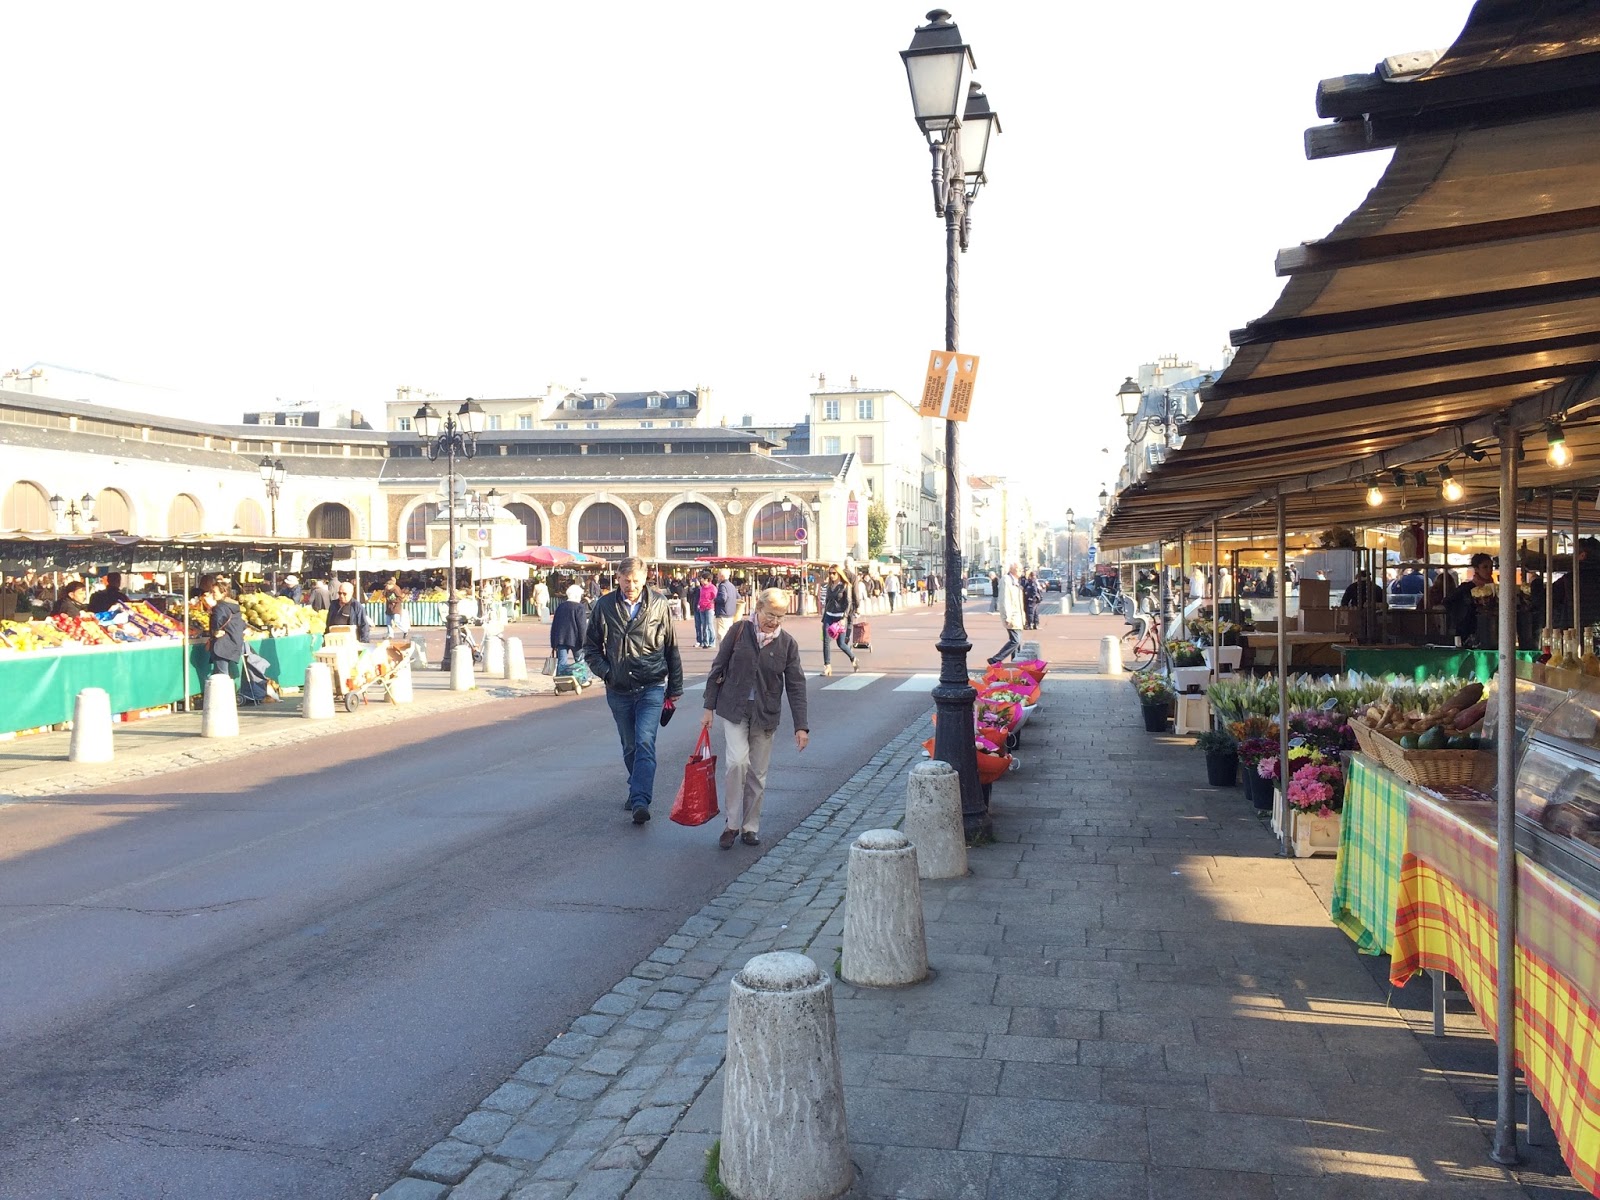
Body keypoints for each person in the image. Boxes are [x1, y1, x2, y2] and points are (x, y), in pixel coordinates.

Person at [702, 588, 809, 850]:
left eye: (780, 616)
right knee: (737, 762)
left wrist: (801, 726)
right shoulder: (739, 631)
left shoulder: (787, 643)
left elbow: (796, 685)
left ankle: (750, 827)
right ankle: (732, 824)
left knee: (757, 774)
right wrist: (708, 707)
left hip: (766, 713)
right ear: (758, 607)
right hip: (734, 708)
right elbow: (718, 668)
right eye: (770, 614)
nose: (774, 621)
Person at [583, 556, 684, 824]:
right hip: (618, 689)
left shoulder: (659, 604)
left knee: (644, 742)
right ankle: (635, 786)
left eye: (636, 581)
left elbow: (671, 646)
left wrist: (675, 686)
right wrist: (607, 672)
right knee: (629, 745)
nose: (631, 586)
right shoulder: (604, 606)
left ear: (646, 579)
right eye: (626, 580)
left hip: (651, 684)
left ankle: (641, 800)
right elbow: (591, 647)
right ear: (618, 578)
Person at [200, 573, 244, 677]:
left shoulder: (220, 607)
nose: (213, 594)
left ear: (223, 593)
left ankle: (224, 693)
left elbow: (217, 622)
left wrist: (214, 632)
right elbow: (242, 624)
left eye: (214, 592)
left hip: (222, 646)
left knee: (221, 674)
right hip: (233, 643)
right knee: (224, 673)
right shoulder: (234, 606)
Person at [1446, 552, 1495, 644]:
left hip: (1489, 629)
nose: (1489, 570)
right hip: (1468, 630)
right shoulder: (1466, 588)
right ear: (1476, 569)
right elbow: (1448, 601)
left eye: (1491, 567)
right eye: (1485, 567)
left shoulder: (1494, 588)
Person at [1552, 537, 1600, 628]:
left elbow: (1546, 599)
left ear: (1582, 556)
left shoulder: (1571, 579)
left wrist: (1535, 582)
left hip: (1576, 634)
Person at [818, 565, 857, 677]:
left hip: (840, 617)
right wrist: (824, 616)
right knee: (826, 641)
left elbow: (849, 602)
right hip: (829, 616)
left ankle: (853, 657)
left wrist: (844, 618)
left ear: (839, 574)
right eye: (830, 573)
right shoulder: (828, 586)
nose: (831, 575)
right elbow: (826, 601)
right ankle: (827, 666)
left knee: (840, 643)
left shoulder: (845, 586)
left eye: (834, 573)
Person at [550, 583, 589, 677]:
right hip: (575, 640)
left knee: (561, 663)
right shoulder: (579, 607)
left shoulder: (560, 607)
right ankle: (582, 678)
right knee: (580, 661)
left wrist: (553, 643)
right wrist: (585, 642)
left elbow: (555, 625)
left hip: (561, 639)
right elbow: (582, 626)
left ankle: (560, 681)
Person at [989, 562, 1024, 665]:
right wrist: (1007, 616)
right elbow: (1005, 599)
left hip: (1019, 616)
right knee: (1015, 640)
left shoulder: (1016, 581)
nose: (1021, 571)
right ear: (1013, 570)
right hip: (1012, 616)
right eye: (1019, 569)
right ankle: (996, 659)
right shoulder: (1006, 580)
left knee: (1017, 644)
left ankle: (1016, 663)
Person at [713, 567, 741, 644]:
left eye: (718, 575)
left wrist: (715, 599)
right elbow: (738, 597)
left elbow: (723, 598)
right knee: (729, 634)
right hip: (731, 613)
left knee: (721, 634)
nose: (717, 577)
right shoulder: (731, 585)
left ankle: (723, 652)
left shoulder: (722, 586)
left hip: (723, 612)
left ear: (722, 576)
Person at [694, 571, 717, 648]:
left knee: (710, 625)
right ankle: (705, 642)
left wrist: (710, 603)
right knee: (704, 626)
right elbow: (701, 597)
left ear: (707, 579)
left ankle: (712, 642)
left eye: (702, 579)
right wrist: (699, 605)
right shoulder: (702, 588)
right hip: (702, 608)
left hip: (709, 608)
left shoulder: (713, 588)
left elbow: (715, 598)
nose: (701, 580)